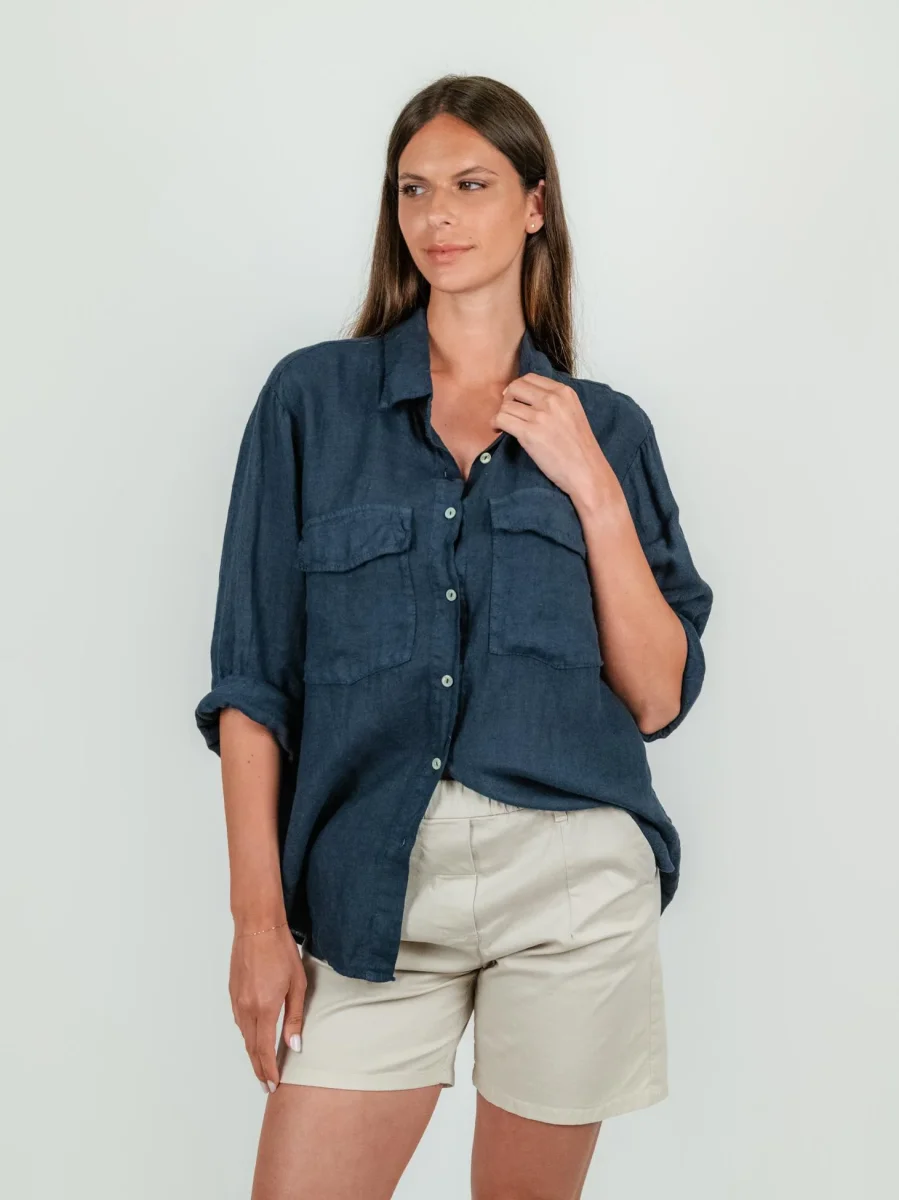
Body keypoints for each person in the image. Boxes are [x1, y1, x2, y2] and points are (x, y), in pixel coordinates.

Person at [194, 73, 713, 1200]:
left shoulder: (607, 427)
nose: (436, 216)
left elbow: (655, 694)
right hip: (369, 880)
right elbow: (253, 680)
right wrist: (256, 922)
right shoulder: (312, 401)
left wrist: (592, 488)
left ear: (534, 204)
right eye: (413, 189)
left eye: (471, 185)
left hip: (572, 878)